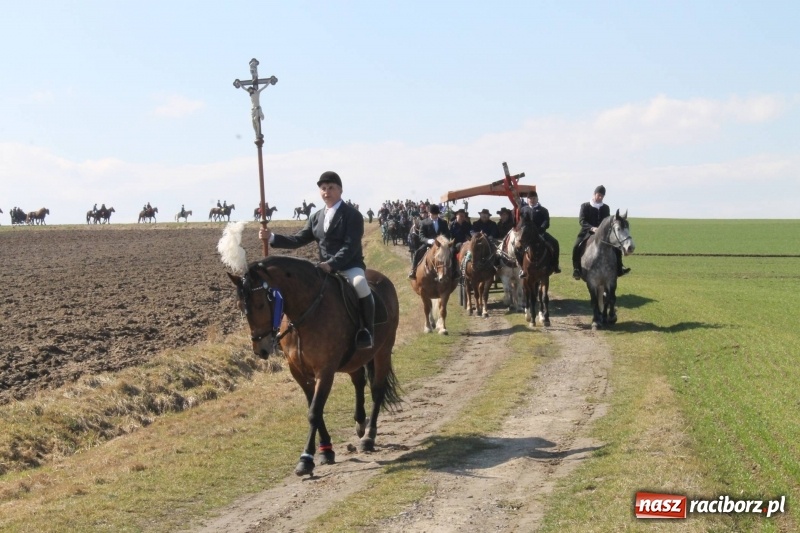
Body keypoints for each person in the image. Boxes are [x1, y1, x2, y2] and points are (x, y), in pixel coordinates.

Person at [259, 171, 375, 350]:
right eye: (323, 188)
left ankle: (367, 331)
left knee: (360, 284)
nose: (326, 191)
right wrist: (272, 237)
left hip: (349, 266)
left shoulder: (353, 215)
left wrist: (331, 264)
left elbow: (350, 247)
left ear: (340, 190)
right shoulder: (316, 217)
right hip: (322, 268)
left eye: (331, 188)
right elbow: (298, 239)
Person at [572, 185, 630, 280]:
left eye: (602, 196)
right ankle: (577, 269)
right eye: (599, 195)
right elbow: (582, 221)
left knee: (616, 246)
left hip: (603, 234)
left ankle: (620, 268)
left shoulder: (606, 207)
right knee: (576, 246)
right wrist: (592, 228)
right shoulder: (585, 206)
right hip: (587, 232)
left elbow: (606, 221)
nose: (600, 198)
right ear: (594, 194)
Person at [517, 192, 561, 276]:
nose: (532, 200)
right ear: (527, 200)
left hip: (540, 233)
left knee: (555, 242)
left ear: (537, 199)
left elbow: (546, 222)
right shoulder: (523, 209)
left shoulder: (543, 210)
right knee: (517, 248)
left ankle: (555, 265)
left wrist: (541, 229)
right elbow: (521, 222)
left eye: (534, 198)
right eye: (530, 199)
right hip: (527, 234)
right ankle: (523, 268)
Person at [408, 204, 451, 279]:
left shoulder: (443, 222)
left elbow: (447, 234)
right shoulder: (424, 222)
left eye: (436, 214)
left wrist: (443, 240)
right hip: (429, 244)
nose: (434, 216)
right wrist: (428, 240)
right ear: (429, 213)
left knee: (452, 252)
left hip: (441, 245)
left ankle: (454, 272)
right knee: (418, 252)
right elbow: (421, 236)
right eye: (433, 214)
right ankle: (413, 271)